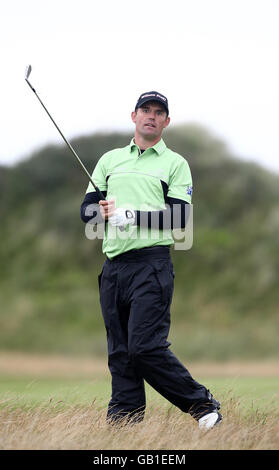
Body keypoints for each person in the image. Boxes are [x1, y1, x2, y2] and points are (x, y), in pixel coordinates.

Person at [80, 91, 222, 429]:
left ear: (166, 122)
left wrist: (131, 214)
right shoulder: (110, 160)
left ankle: (202, 405)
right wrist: (99, 212)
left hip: (151, 266)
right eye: (146, 110)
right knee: (120, 352)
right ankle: (125, 424)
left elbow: (179, 217)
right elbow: (86, 212)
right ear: (134, 116)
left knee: (144, 347)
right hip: (114, 268)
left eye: (159, 112)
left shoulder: (175, 164)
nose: (152, 116)